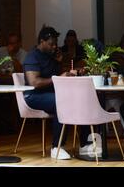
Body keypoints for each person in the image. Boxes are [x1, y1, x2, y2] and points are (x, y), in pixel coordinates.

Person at [23, 26, 92, 160]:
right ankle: (57, 147)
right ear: (41, 41)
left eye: (55, 43)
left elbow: (60, 72)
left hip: (52, 93)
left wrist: (66, 67)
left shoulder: (52, 55)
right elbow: (34, 82)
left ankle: (84, 144)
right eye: (51, 44)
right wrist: (58, 78)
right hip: (33, 96)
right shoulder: (32, 56)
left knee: (82, 98)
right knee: (61, 102)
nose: (54, 46)